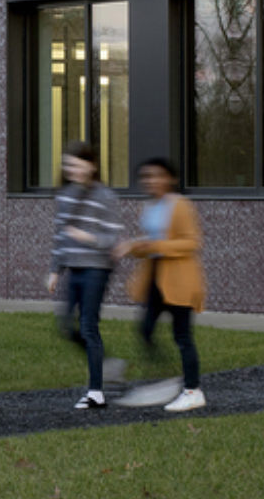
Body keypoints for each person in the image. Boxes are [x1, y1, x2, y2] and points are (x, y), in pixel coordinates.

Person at [117, 156, 207, 413]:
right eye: (146, 177)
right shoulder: (147, 207)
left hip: (179, 278)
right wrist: (132, 247)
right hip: (155, 278)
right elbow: (149, 242)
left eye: (157, 176)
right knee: (145, 330)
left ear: (170, 179)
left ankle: (192, 391)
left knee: (182, 336)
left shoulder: (181, 205)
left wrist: (151, 246)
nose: (152, 181)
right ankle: (167, 377)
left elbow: (191, 242)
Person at [48, 140, 123, 410]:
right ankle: (105, 363)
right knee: (67, 325)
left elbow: (113, 238)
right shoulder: (65, 194)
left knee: (89, 326)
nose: (74, 170)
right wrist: (55, 270)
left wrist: (88, 237)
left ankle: (96, 393)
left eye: (79, 165)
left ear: (91, 166)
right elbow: (60, 235)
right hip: (74, 268)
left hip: (97, 268)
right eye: (69, 166)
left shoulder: (104, 195)